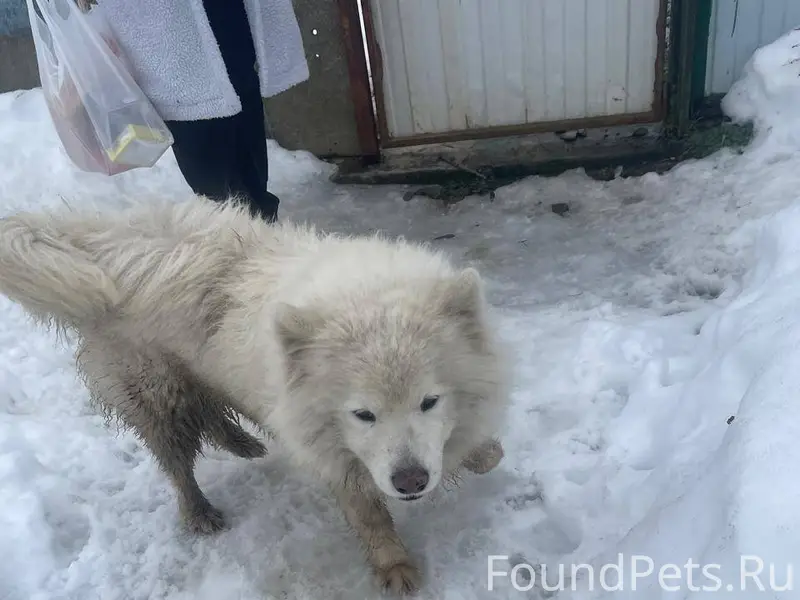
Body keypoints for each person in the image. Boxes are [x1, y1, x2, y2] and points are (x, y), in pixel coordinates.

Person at [86, 0, 309, 222]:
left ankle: (259, 225)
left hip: (222, 24)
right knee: (215, 182)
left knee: (242, 119)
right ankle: (240, 232)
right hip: (167, 43)